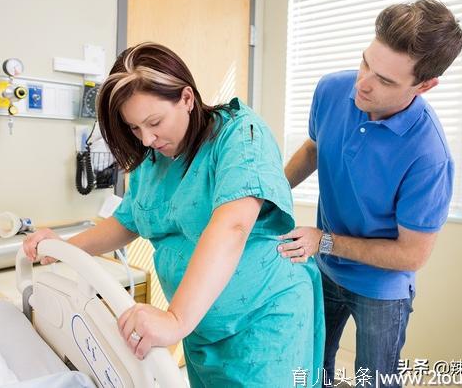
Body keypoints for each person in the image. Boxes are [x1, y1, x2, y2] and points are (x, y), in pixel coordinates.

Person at [23, 42, 324, 387]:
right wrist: (64, 246)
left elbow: (234, 224)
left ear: (186, 98)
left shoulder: (240, 135)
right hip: (202, 325)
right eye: (134, 128)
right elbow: (127, 221)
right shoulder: (154, 159)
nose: (147, 139)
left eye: (154, 122)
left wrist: (176, 319)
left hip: (264, 320)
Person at [278, 0, 462, 387]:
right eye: (366, 63)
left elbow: (412, 253)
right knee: (311, 370)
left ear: (425, 86)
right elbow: (314, 148)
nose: (363, 83)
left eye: (386, 80)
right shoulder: (332, 90)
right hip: (325, 266)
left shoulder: (428, 155)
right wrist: (270, 194)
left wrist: (323, 241)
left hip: (382, 287)